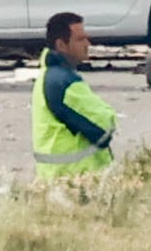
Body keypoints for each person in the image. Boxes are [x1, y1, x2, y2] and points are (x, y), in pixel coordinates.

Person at [36, 12, 120, 178]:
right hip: (75, 176)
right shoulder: (65, 82)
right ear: (61, 45)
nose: (88, 44)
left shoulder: (48, 75)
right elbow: (103, 128)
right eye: (80, 39)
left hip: (56, 175)